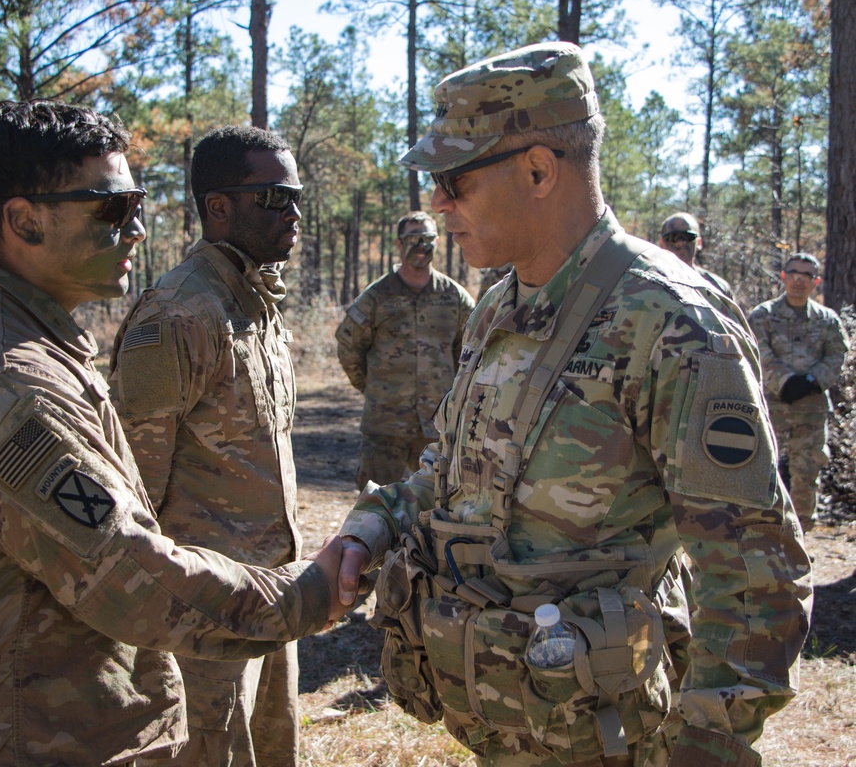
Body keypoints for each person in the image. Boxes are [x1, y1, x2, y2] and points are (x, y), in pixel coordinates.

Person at [334, 42, 811, 767]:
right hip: (511, 728)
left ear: (536, 169)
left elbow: (756, 572)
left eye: (453, 179)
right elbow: (455, 475)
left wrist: (708, 747)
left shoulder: (672, 321)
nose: (436, 203)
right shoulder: (500, 305)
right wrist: (372, 527)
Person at [0, 100, 346, 767]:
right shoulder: (8, 379)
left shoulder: (27, 346)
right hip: (11, 731)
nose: (139, 231)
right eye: (112, 209)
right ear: (24, 221)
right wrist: (306, 595)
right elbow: (127, 571)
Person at [108, 125, 305, 767]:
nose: (295, 212)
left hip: (275, 591)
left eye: (298, 195)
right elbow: (131, 498)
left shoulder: (256, 300)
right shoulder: (179, 314)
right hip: (206, 616)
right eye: (277, 197)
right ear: (218, 207)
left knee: (274, 748)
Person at [335, 210, 475, 489]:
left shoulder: (454, 297)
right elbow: (349, 347)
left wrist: (454, 398)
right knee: (375, 507)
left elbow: (471, 353)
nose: (421, 246)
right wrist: (375, 389)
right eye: (413, 239)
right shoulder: (377, 296)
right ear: (399, 244)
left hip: (438, 427)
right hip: (385, 428)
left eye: (428, 239)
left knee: (438, 508)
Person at [747, 253, 850, 532]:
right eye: (793, 273)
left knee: (807, 475)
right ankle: (766, 536)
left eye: (806, 275)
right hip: (771, 409)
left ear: (815, 282)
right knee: (764, 473)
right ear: (783, 276)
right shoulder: (762, 315)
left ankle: (802, 537)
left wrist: (812, 381)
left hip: (811, 411)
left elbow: (838, 354)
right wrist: (785, 381)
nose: (798, 280)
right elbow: (757, 353)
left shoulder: (827, 320)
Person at [658, 211, 734, 298]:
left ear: (699, 242)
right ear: (661, 244)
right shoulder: (647, 284)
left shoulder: (717, 288)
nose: (680, 243)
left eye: (688, 237)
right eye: (672, 237)